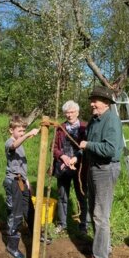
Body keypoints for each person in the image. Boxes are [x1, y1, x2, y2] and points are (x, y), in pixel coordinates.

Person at [74, 86, 123, 258]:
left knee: (100, 214)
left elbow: (109, 149)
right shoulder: (95, 121)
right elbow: (86, 145)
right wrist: (76, 156)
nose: (92, 103)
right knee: (95, 211)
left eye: (95, 100)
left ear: (107, 103)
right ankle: (103, 247)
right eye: (92, 99)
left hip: (105, 169)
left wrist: (88, 145)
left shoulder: (111, 121)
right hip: (94, 168)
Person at [3, 114, 51, 258]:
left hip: (22, 181)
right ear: (11, 130)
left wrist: (27, 180)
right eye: (19, 131)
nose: (22, 133)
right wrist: (29, 135)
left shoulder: (20, 143)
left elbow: (21, 166)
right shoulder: (9, 142)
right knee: (16, 214)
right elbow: (13, 146)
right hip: (13, 182)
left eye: (24, 131)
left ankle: (36, 234)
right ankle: (12, 246)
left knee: (30, 209)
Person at [53, 100, 88, 235]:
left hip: (80, 169)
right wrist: (63, 157)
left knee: (82, 196)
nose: (69, 115)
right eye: (67, 112)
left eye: (72, 112)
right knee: (62, 196)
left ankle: (84, 224)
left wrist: (75, 159)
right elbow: (54, 148)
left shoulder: (85, 128)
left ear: (77, 112)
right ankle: (62, 224)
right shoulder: (60, 128)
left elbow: (87, 147)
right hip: (63, 167)